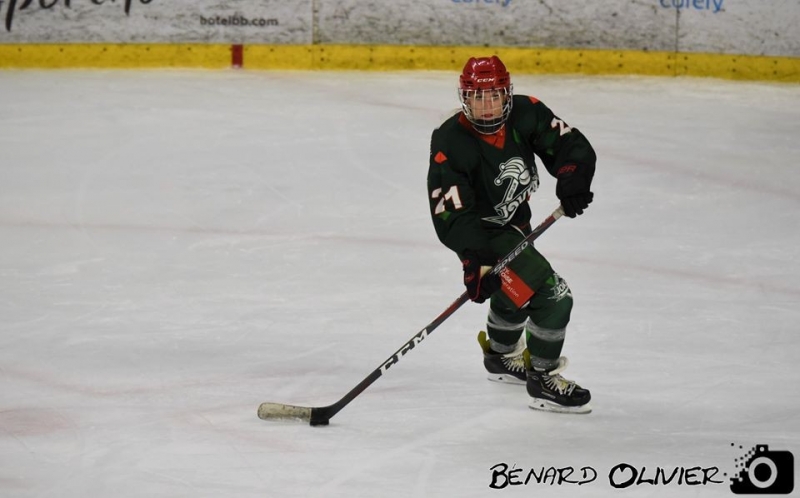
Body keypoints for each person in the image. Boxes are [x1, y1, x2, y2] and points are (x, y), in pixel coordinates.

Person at [426, 56, 596, 414]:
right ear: (464, 98)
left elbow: (568, 143)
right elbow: (452, 213)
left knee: (512, 287)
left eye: (494, 96)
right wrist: (477, 259)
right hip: (485, 233)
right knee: (554, 298)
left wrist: (573, 177)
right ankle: (543, 377)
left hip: (516, 223)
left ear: (507, 95)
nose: (486, 107)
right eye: (477, 97)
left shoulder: (526, 112)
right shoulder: (450, 141)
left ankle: (501, 356)